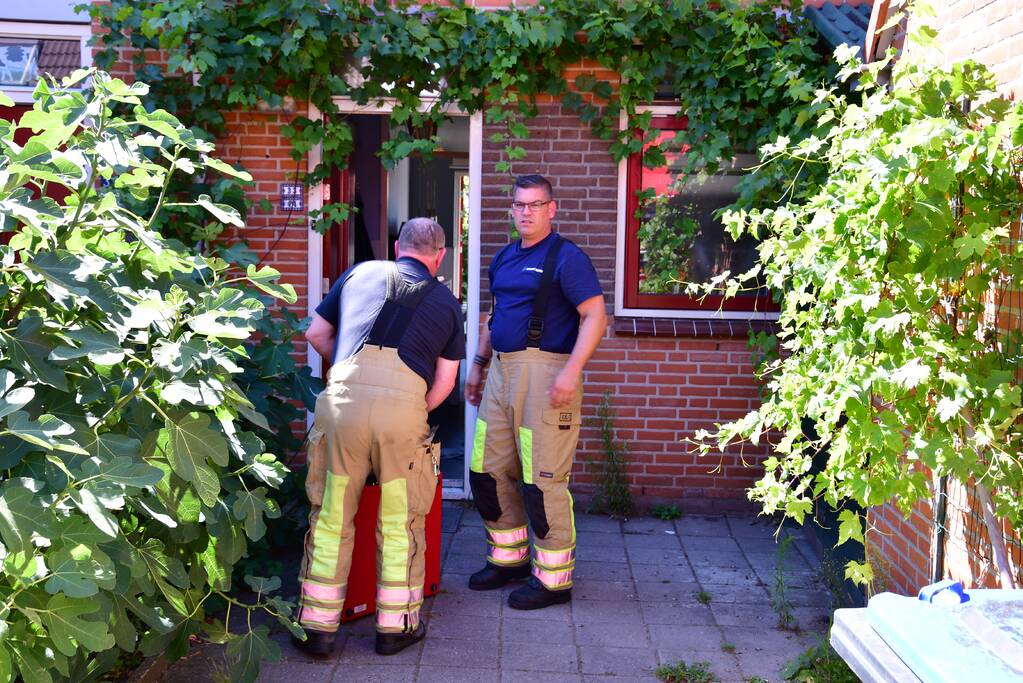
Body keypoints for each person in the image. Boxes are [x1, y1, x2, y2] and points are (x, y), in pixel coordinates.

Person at [296, 218, 464, 656]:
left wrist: (347, 377)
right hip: (402, 416)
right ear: (440, 256)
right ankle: (395, 628)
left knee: (331, 516)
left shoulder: (360, 273)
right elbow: (446, 383)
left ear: (397, 248)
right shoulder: (447, 303)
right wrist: (409, 408)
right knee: (399, 522)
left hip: (342, 407)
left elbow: (316, 333)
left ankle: (317, 628)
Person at [465, 173, 606, 610]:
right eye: (520, 205)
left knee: (542, 480)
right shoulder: (504, 258)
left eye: (535, 204)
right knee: (487, 471)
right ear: (512, 209)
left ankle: (553, 581)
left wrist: (571, 372)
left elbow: (596, 316)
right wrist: (478, 365)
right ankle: (508, 560)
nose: (526, 212)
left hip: (546, 374)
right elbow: (494, 315)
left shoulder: (567, 258)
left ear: (551, 208)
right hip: (501, 371)